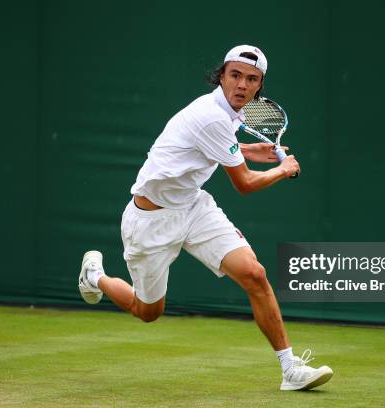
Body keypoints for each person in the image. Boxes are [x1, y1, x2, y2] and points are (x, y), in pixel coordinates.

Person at [78, 45, 333, 391]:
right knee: (147, 311)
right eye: (235, 75)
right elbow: (243, 183)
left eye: (252, 79)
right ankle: (95, 277)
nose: (242, 85)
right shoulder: (211, 114)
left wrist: (249, 150)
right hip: (150, 221)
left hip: (194, 208)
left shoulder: (232, 114)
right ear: (222, 76)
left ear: (260, 86)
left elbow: (208, 146)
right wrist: (282, 169)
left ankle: (290, 368)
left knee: (254, 274)